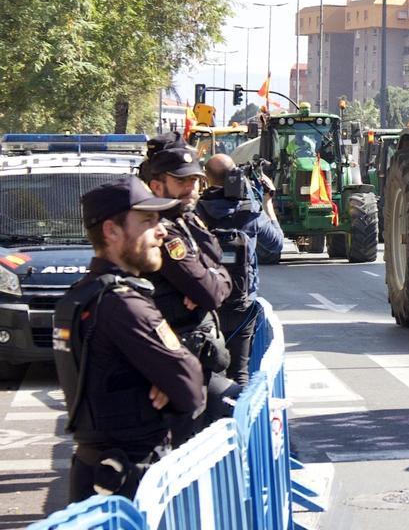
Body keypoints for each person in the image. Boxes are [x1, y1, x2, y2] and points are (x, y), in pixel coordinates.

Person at [54, 177, 205, 502]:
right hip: (130, 483)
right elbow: (191, 386)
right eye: (148, 221)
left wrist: (165, 377)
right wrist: (168, 379)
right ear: (111, 231)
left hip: (98, 473)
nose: (161, 231)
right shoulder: (123, 304)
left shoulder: (80, 295)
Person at [141, 140, 237, 439]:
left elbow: (220, 265)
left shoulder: (186, 219)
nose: (191, 188)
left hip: (199, 357)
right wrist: (212, 279)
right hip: (179, 359)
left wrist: (214, 277)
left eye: (195, 180)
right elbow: (209, 292)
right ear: (157, 186)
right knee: (188, 442)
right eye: (181, 181)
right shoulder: (164, 231)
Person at [196, 154, 285, 385]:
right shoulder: (250, 211)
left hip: (207, 304)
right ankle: (238, 406)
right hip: (242, 303)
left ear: (206, 178)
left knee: (208, 372)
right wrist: (267, 204)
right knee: (239, 372)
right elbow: (277, 244)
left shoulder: (196, 214)